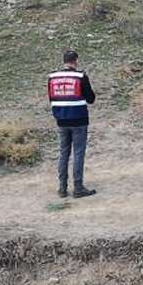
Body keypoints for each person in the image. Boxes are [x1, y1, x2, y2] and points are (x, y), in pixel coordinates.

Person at [48, 50, 97, 198]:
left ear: (64, 61)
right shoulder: (80, 76)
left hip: (61, 119)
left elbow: (51, 98)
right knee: (78, 153)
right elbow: (91, 99)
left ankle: (62, 188)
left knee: (63, 153)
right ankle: (78, 187)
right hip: (79, 119)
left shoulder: (52, 77)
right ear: (75, 60)